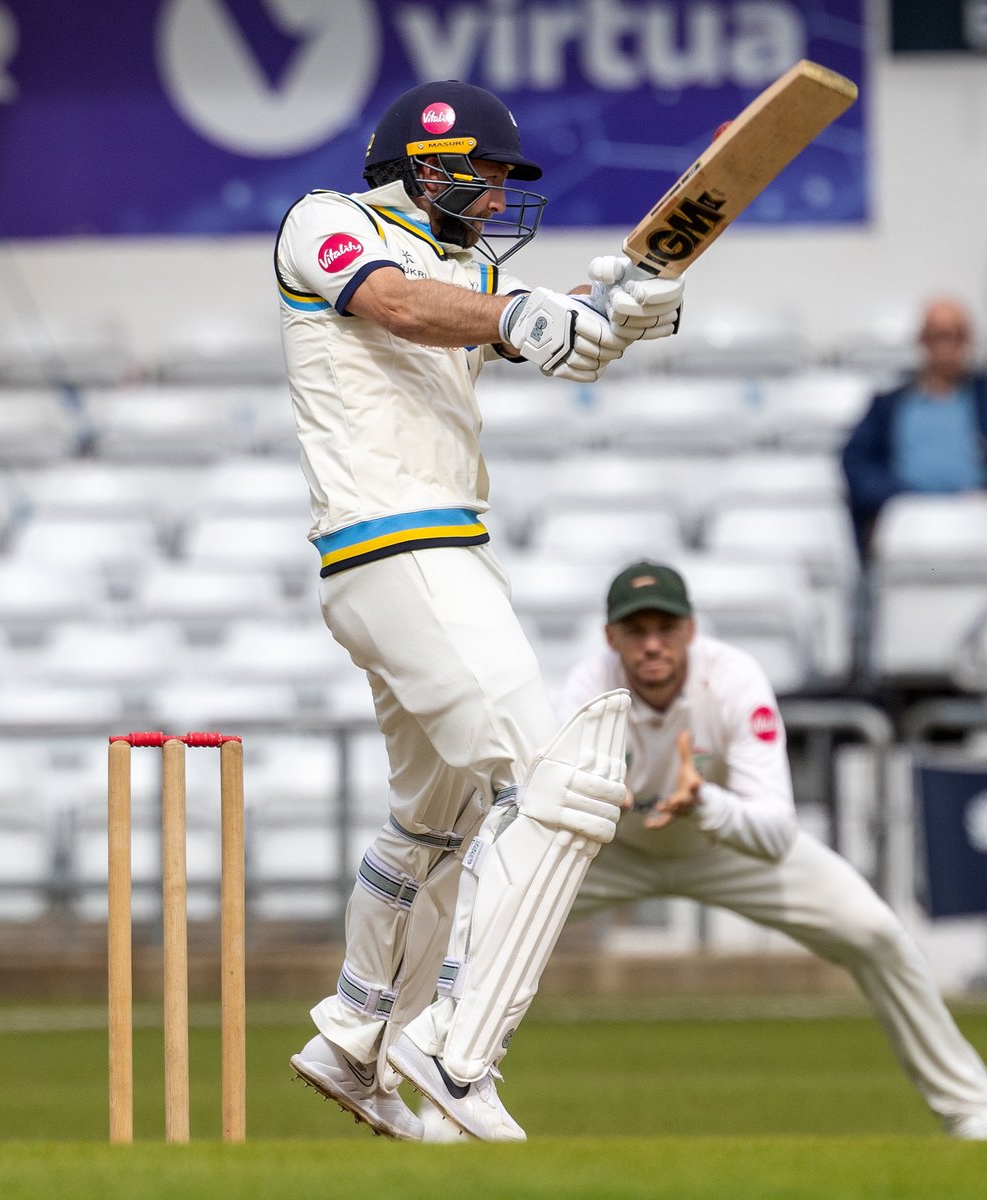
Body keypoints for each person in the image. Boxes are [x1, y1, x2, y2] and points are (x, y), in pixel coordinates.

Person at [275, 79, 684, 1142]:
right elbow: (396, 303)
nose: (500, 193)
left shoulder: (467, 269)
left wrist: (619, 315)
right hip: (398, 547)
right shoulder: (329, 222)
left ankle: (355, 1035)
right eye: (487, 173)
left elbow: (524, 326)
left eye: (507, 179)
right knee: (553, 786)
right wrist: (521, 314)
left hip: (422, 557)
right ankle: (459, 1050)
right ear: (423, 164)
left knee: (435, 818)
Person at [562, 561, 987, 1139]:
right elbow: (553, 802)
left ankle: (975, 1113)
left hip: (724, 844)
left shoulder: (733, 678)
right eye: (635, 631)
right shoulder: (585, 687)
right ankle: (450, 1104)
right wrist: (599, 800)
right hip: (615, 850)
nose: (652, 646)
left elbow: (775, 831)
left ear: (691, 630)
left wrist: (705, 803)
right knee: (486, 930)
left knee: (875, 933)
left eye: (666, 628)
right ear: (611, 638)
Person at [841, 298, 987, 555]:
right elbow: (856, 464)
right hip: (907, 522)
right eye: (938, 336)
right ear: (922, 340)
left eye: (955, 336)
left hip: (979, 523)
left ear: (968, 341)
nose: (946, 346)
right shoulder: (887, 407)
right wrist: (898, 496)